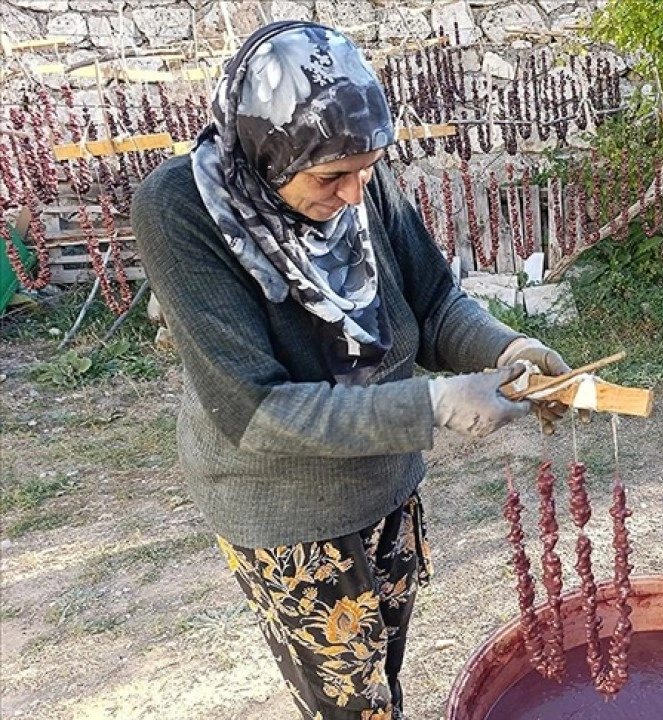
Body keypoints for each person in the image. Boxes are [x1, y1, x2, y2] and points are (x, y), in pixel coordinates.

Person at [133, 21, 576, 720]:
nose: (353, 194)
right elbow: (254, 409)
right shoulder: (181, 211)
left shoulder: (357, 170)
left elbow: (431, 302)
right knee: (350, 708)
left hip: (384, 482)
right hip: (287, 508)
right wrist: (429, 406)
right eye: (332, 177)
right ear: (269, 151)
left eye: (366, 171)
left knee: (384, 676)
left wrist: (505, 348)